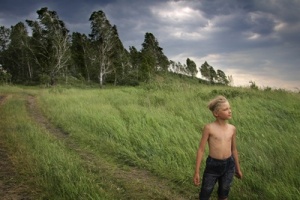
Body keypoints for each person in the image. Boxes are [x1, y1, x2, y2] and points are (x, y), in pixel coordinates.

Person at [193, 95, 243, 200]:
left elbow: (234, 150)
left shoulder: (232, 129)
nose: (230, 111)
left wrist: (237, 169)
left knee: (224, 194)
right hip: (213, 166)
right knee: (205, 193)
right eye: (225, 109)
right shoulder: (209, 128)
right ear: (216, 113)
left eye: (229, 108)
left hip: (229, 165)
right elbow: (201, 149)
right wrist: (197, 172)